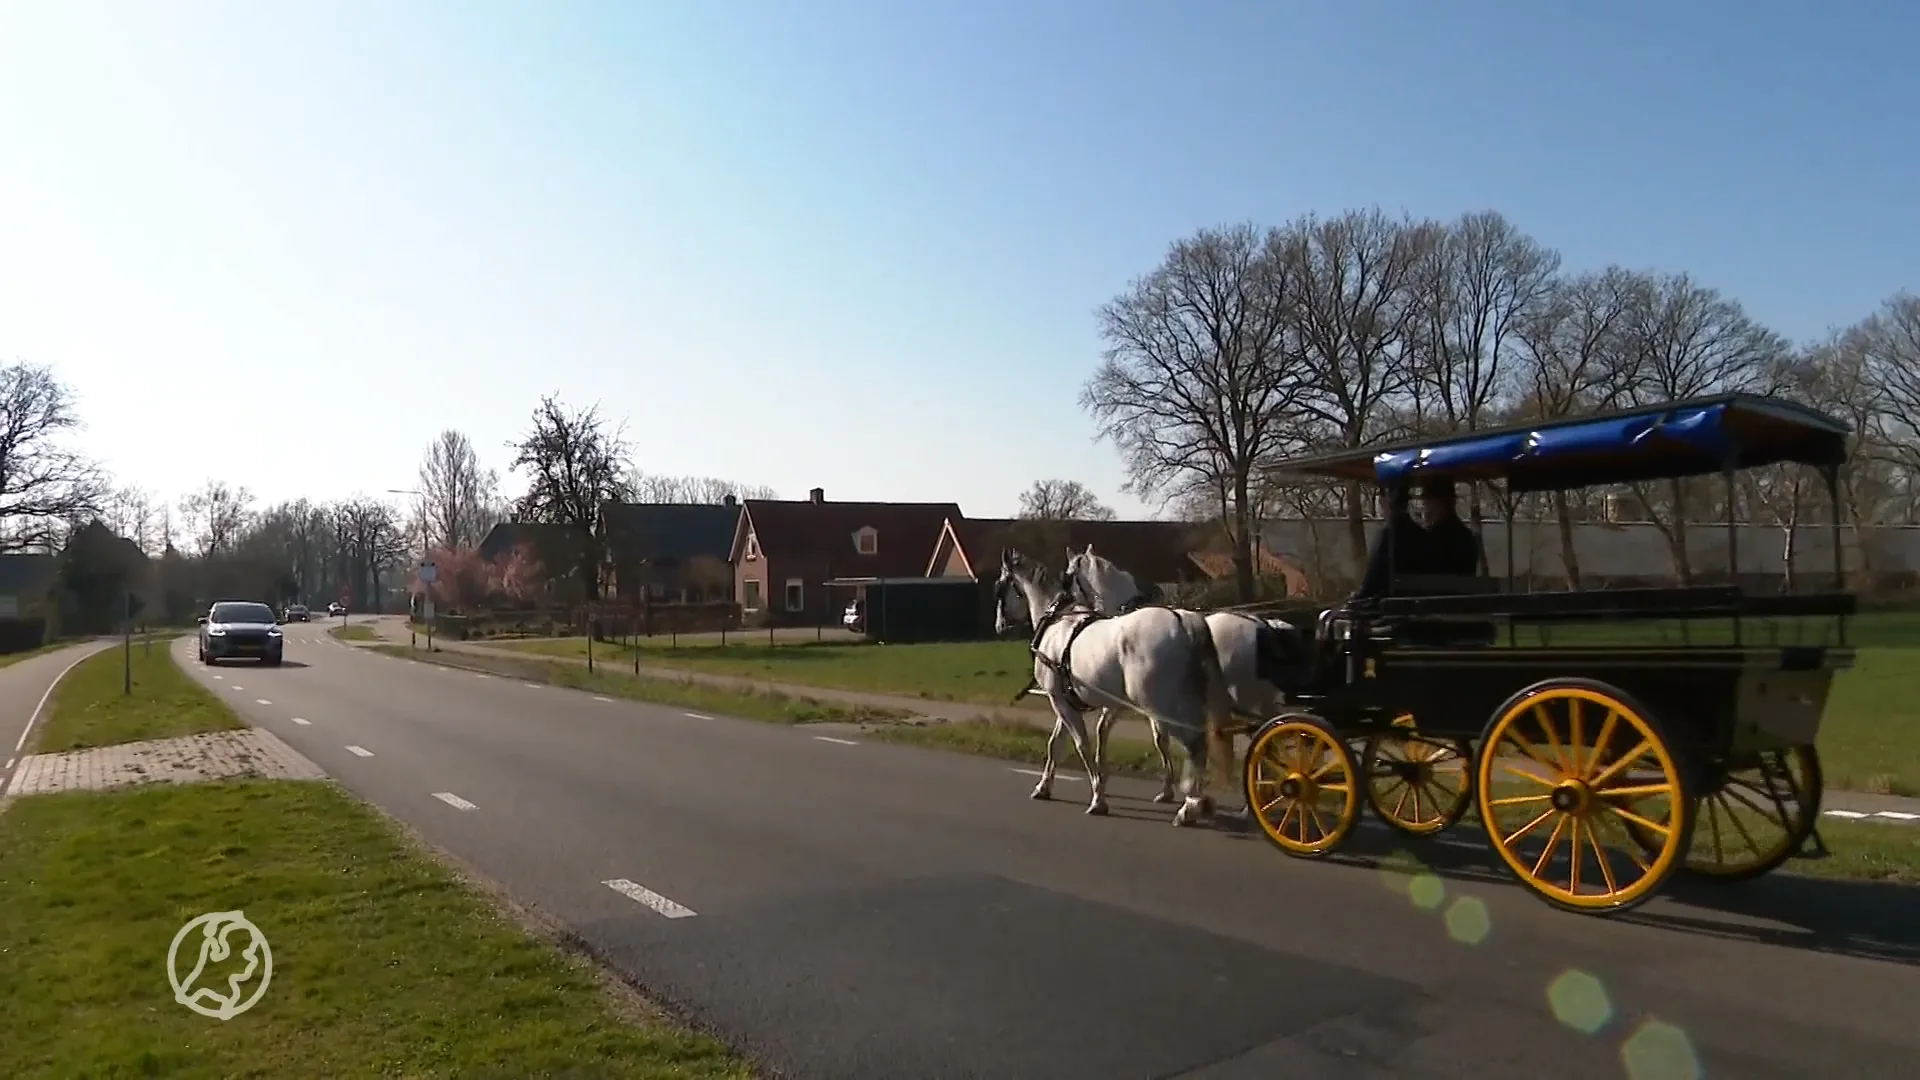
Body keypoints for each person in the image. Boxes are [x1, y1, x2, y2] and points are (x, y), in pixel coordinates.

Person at [1351, 481, 1481, 603]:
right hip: (1452, 605)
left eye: (1427, 499)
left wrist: (1357, 598)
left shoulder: (1393, 535)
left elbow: (1371, 583)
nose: (1425, 506)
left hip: (1406, 611)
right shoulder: (1427, 535)